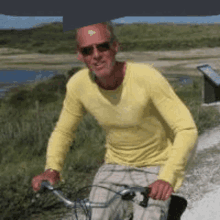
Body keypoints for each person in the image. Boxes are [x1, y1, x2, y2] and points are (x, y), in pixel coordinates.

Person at [32, 21, 198, 220]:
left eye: (102, 46)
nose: (96, 55)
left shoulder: (147, 78)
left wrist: (167, 178)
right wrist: (52, 169)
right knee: (96, 216)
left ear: (115, 47)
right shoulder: (78, 85)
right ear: (79, 55)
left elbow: (186, 129)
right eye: (87, 50)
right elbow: (63, 132)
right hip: (115, 164)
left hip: (156, 165)